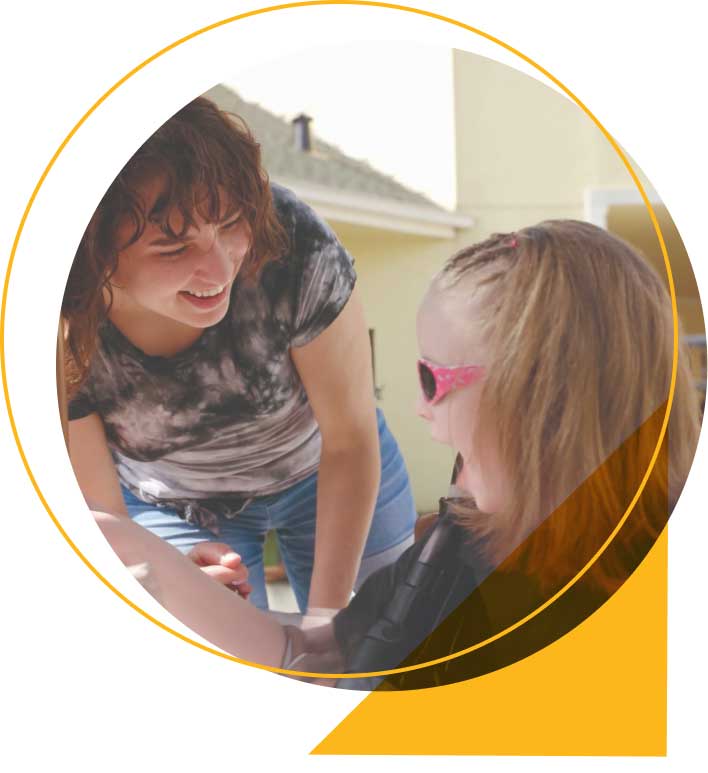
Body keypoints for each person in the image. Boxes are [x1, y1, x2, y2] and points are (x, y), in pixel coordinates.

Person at [89, 219, 703, 687]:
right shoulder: (460, 546)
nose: (419, 409)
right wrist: (137, 556)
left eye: (433, 378)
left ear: (543, 395)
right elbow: (319, 651)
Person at [63, 96, 416, 614]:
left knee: (380, 651)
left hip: (331, 467)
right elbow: (102, 512)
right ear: (93, 248)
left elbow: (350, 438)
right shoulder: (59, 320)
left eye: (230, 223)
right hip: (175, 503)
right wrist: (157, 568)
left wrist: (326, 620)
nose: (220, 268)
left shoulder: (297, 243)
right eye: (173, 248)